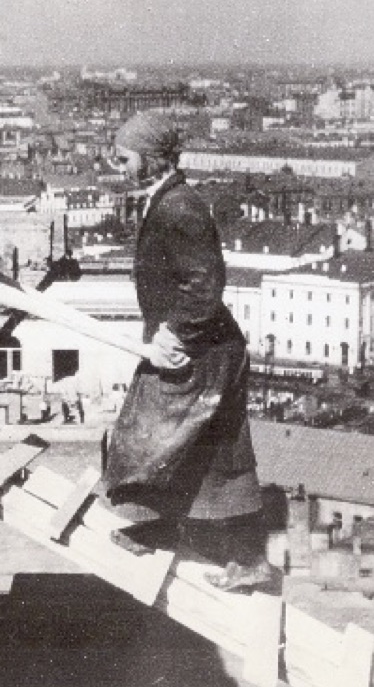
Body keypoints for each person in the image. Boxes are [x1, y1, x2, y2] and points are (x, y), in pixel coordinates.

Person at [100, 110, 274, 592]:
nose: (118, 166)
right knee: (190, 445)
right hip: (195, 343)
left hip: (198, 348)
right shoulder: (167, 200)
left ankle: (249, 559)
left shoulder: (179, 209)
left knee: (167, 438)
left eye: (124, 157)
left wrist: (175, 333)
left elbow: (205, 286)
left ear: (153, 158)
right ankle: (161, 527)